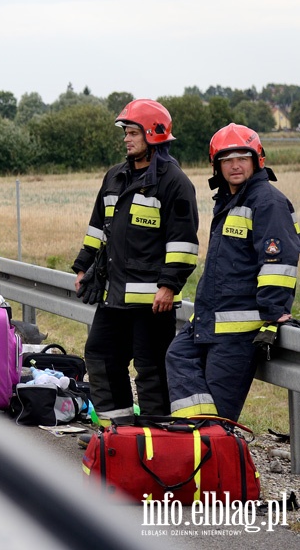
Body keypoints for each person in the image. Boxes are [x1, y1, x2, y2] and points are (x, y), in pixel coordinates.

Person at [72, 99, 199, 426]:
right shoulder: (115, 177)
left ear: (154, 134)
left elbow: (183, 242)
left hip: (152, 303)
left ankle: (158, 438)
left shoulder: (174, 182)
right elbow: (97, 227)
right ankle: (119, 432)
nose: (126, 139)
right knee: (100, 356)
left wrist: (169, 285)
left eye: (133, 133)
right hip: (113, 296)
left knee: (151, 369)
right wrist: (84, 266)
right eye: (126, 133)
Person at [167, 124, 299, 421]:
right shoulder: (229, 201)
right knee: (178, 355)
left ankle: (211, 445)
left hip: (239, 331)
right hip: (211, 318)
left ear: (257, 160)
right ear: (217, 165)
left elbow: (279, 262)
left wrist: (273, 310)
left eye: (242, 157)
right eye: (227, 160)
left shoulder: (268, 202)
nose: (235, 165)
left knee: (219, 407)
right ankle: (197, 436)